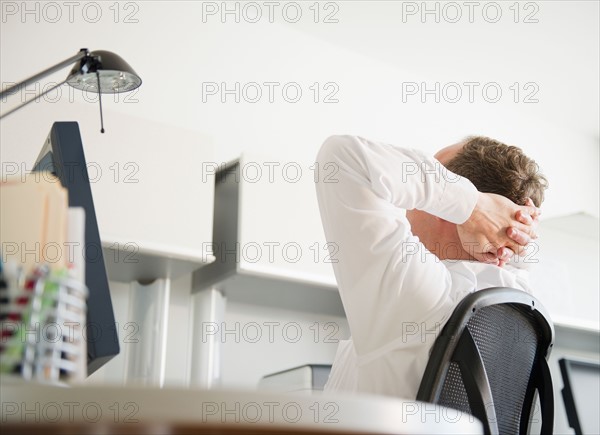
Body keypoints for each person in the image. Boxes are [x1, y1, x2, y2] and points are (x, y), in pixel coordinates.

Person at [315, 135, 547, 400]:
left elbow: (342, 158)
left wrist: (475, 206)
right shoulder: (524, 303)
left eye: (435, 182)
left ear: (449, 208)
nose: (408, 204)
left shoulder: (418, 288)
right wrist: (512, 226)